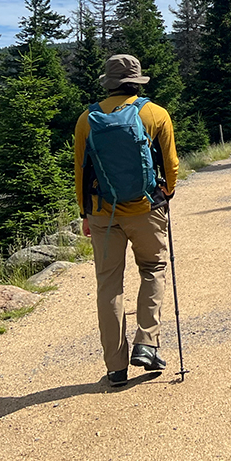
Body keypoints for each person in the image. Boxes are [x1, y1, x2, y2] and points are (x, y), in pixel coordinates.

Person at [74, 54, 181, 387]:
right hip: (146, 209)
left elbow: (80, 171)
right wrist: (169, 193)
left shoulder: (86, 120)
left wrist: (85, 213)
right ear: (137, 81)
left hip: (103, 213)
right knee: (153, 268)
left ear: (108, 82)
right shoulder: (155, 113)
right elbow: (171, 165)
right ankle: (147, 344)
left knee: (109, 285)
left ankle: (115, 367)